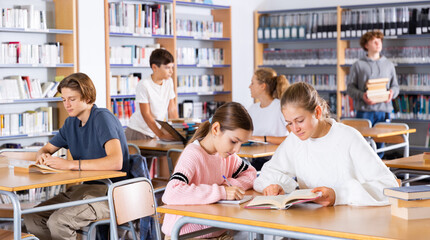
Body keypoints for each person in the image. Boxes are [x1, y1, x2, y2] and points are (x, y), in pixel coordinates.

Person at [254, 82, 398, 207]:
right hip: (310, 222)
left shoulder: (348, 137)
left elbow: (388, 185)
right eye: (289, 123)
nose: (295, 129)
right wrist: (275, 186)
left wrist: (338, 195)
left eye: (300, 121)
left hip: (349, 222)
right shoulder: (295, 139)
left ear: (317, 112)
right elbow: (266, 175)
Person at [23, 72, 130, 240]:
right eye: (63, 99)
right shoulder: (71, 123)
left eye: (72, 99)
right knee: (32, 217)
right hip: (85, 190)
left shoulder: (102, 118)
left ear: (87, 98)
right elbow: (44, 150)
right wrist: (43, 156)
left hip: (112, 192)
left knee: (59, 222)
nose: (67, 105)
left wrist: (70, 164)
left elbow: (116, 161)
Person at [162, 102, 257, 239]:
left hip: (216, 231)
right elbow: (171, 193)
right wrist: (221, 192)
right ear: (216, 129)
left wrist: (228, 185)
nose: (237, 150)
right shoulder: (193, 154)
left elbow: (251, 174)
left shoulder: (227, 155)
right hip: (186, 234)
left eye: (241, 143)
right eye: (234, 141)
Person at [347, 30, 399, 158]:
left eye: (380, 41)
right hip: (364, 112)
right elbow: (350, 88)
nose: (378, 44)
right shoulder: (358, 65)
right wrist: (362, 96)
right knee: (363, 146)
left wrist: (392, 93)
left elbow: (395, 86)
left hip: (384, 111)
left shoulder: (389, 65)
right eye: (374, 41)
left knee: (380, 148)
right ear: (366, 45)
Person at [125, 48, 178, 141]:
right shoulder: (144, 84)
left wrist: (178, 131)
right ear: (154, 67)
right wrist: (160, 135)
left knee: (165, 154)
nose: (171, 71)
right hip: (138, 131)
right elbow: (146, 114)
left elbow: (172, 110)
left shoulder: (169, 82)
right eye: (167, 68)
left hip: (154, 131)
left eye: (172, 67)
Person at [248, 68, 290, 170]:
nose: (249, 87)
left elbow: (294, 138)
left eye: (252, 83)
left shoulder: (280, 107)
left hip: (278, 161)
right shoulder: (252, 109)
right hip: (257, 159)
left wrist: (263, 138)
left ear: (263, 86)